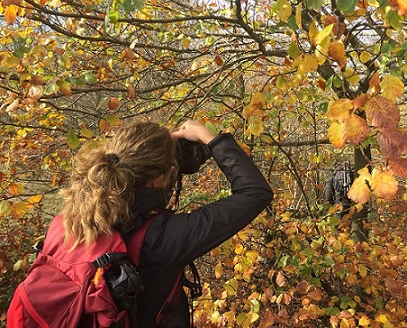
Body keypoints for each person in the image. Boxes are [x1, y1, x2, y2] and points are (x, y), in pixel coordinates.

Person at [59, 119, 273, 327]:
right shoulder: (160, 238)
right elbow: (255, 193)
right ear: (158, 179)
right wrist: (210, 139)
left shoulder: (75, 216)